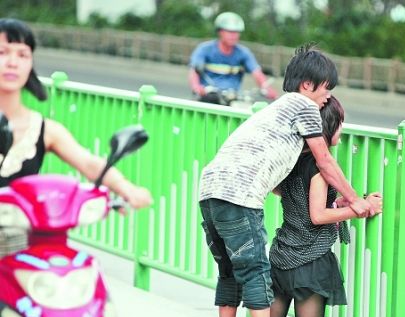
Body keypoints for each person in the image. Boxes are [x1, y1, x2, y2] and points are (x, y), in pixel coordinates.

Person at [199, 44, 375, 317]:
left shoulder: (275, 112)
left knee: (229, 271)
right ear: (307, 85)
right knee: (255, 271)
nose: (326, 98)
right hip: (241, 196)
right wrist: (356, 202)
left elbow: (284, 186)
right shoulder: (304, 107)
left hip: (211, 187)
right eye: (326, 90)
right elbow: (325, 163)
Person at [0, 18, 152, 257]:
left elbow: (89, 163)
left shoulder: (44, 129)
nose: (12, 63)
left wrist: (126, 188)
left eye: (23, 55)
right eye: (2, 52)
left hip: (21, 249)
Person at [265, 96, 382, 317]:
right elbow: (317, 216)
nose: (342, 129)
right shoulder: (319, 169)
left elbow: (286, 194)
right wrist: (361, 208)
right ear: (328, 127)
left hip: (281, 256)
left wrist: (338, 203)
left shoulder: (292, 160)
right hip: (309, 262)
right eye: (340, 123)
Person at [188, 11, 277, 104]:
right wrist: (196, 87)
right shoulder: (205, 49)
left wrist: (266, 88)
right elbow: (194, 70)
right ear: (220, 32)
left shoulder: (243, 53)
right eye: (230, 32)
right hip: (208, 96)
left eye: (236, 32)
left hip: (232, 97)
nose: (234, 36)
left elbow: (256, 72)